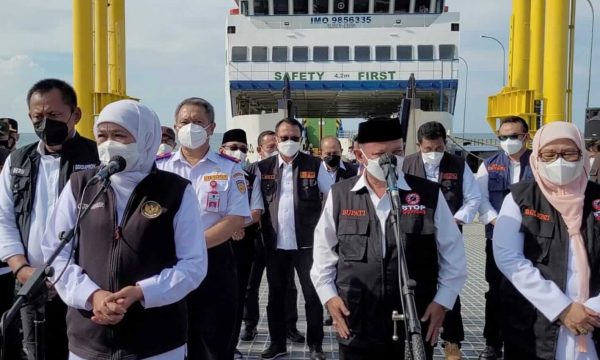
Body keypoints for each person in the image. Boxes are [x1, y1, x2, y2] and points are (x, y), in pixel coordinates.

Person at [40, 99, 207, 359]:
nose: (109, 144)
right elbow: (55, 251)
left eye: (119, 135)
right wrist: (92, 295)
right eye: (102, 136)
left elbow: (193, 264)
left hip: (157, 341)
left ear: (145, 137)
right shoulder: (81, 185)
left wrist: (142, 292)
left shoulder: (176, 190)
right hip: (90, 340)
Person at [311, 118, 467, 359]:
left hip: (415, 316)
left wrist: (443, 301)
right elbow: (323, 254)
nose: (390, 160)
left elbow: (453, 254)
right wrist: (329, 297)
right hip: (356, 315)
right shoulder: (340, 195)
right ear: (359, 155)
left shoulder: (428, 194)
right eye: (380, 154)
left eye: (397, 152)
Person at [0, 78, 99, 360]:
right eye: (38, 117)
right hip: (30, 283)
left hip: (86, 284)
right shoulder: (18, 160)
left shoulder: (96, 158)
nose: (45, 123)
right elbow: (4, 218)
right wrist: (20, 268)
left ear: (75, 115)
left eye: (54, 116)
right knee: (37, 353)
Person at [493, 121, 600, 359]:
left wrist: (593, 310)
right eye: (549, 154)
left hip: (593, 322)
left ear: (582, 155)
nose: (559, 162)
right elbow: (508, 257)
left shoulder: (596, 199)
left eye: (569, 153)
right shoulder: (520, 198)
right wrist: (561, 307)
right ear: (537, 157)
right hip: (537, 322)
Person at [157, 97, 251, 360]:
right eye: (185, 122)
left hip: (215, 261)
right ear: (176, 127)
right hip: (167, 261)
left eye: (198, 122)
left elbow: (234, 219)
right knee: (169, 336)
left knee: (213, 338)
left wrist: (192, 247)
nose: (191, 127)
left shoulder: (230, 168)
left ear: (211, 127)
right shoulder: (159, 166)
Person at [255, 118, 333, 360]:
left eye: (294, 138)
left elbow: (331, 199)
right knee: (275, 296)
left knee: (312, 296)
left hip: (308, 243)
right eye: (284, 137)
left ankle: (315, 346)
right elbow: (256, 205)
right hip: (275, 243)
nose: (289, 142)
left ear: (301, 140)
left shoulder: (315, 164)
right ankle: (277, 344)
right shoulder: (263, 168)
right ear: (276, 139)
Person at [403, 121, 481, 360]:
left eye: (438, 148)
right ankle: (415, 338)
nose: (434, 153)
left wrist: (455, 220)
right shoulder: (406, 164)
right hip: (417, 237)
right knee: (420, 288)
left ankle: (452, 341)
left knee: (451, 287)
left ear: (445, 145)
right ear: (418, 146)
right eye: (428, 149)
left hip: (450, 235)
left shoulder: (457, 164)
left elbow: (473, 198)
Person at [475, 116, 534, 360]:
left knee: (530, 289)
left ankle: (530, 339)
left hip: (534, 238)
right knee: (496, 291)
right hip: (497, 238)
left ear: (526, 137)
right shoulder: (489, 165)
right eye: (503, 137)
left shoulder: (539, 162)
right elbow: (480, 198)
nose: (508, 141)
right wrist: (498, 223)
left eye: (513, 136)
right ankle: (492, 342)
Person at [240, 130, 303, 344]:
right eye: (270, 147)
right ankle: (250, 325)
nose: (276, 150)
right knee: (251, 284)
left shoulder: (286, 170)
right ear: (259, 150)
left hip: (279, 236)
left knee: (288, 285)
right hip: (255, 237)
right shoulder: (249, 172)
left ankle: (290, 326)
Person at [218, 128, 264, 359]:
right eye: (233, 147)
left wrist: (237, 226)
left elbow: (255, 212)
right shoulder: (211, 173)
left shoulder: (250, 177)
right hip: (210, 244)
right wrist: (228, 228)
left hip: (241, 245)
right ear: (221, 149)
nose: (238, 152)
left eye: (243, 149)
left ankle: (230, 346)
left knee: (235, 298)